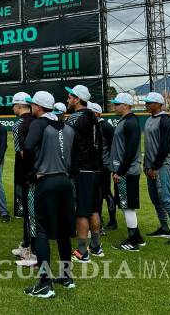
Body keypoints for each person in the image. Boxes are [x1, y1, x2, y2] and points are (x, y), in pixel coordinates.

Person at [23, 91, 76, 298]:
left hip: (46, 181)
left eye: (32, 105)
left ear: (38, 107)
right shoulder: (66, 126)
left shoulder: (39, 124)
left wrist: (30, 173)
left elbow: (28, 147)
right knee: (63, 231)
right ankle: (66, 276)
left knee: (42, 230)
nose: (31, 108)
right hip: (65, 181)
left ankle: (45, 283)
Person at [143, 92, 170, 245]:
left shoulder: (165, 120)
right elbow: (149, 145)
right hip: (151, 166)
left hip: (163, 166)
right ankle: (164, 228)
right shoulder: (149, 119)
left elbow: (164, 147)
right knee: (155, 199)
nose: (147, 105)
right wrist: (146, 165)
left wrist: (154, 167)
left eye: (149, 102)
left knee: (166, 199)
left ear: (158, 104)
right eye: (146, 102)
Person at [65, 85, 104, 262]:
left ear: (77, 99)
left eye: (70, 97)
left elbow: (65, 143)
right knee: (94, 209)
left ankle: (82, 251)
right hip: (95, 169)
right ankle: (96, 246)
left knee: (81, 211)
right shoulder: (93, 116)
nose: (67, 99)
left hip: (81, 169)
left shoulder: (75, 118)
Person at [109, 92, 145, 251]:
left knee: (127, 206)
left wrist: (120, 171)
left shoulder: (130, 122)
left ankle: (133, 241)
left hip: (127, 172)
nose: (114, 106)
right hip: (124, 171)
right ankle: (137, 237)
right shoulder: (126, 120)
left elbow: (130, 150)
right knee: (126, 204)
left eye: (117, 104)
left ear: (125, 105)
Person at [10, 92, 38, 267]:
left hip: (26, 174)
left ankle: (31, 251)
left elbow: (22, 152)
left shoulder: (19, 124)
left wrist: (28, 174)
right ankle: (26, 244)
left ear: (19, 106)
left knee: (29, 212)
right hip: (38, 171)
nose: (13, 108)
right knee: (32, 211)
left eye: (14, 105)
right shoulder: (36, 120)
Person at [87, 102, 117, 232]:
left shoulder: (106, 126)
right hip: (95, 166)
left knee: (105, 192)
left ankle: (113, 221)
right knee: (97, 194)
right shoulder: (92, 126)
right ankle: (99, 220)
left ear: (97, 113)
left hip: (104, 166)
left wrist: (111, 165)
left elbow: (113, 147)